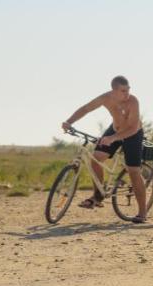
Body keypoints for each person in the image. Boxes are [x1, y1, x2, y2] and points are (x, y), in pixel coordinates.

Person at [61, 75, 148, 222]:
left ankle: (142, 213)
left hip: (133, 134)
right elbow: (86, 108)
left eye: (128, 90)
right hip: (114, 130)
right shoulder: (105, 98)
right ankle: (98, 196)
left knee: (133, 171)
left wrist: (113, 138)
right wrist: (69, 121)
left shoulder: (133, 101)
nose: (127, 94)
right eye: (123, 91)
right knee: (95, 158)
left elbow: (133, 128)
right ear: (113, 91)